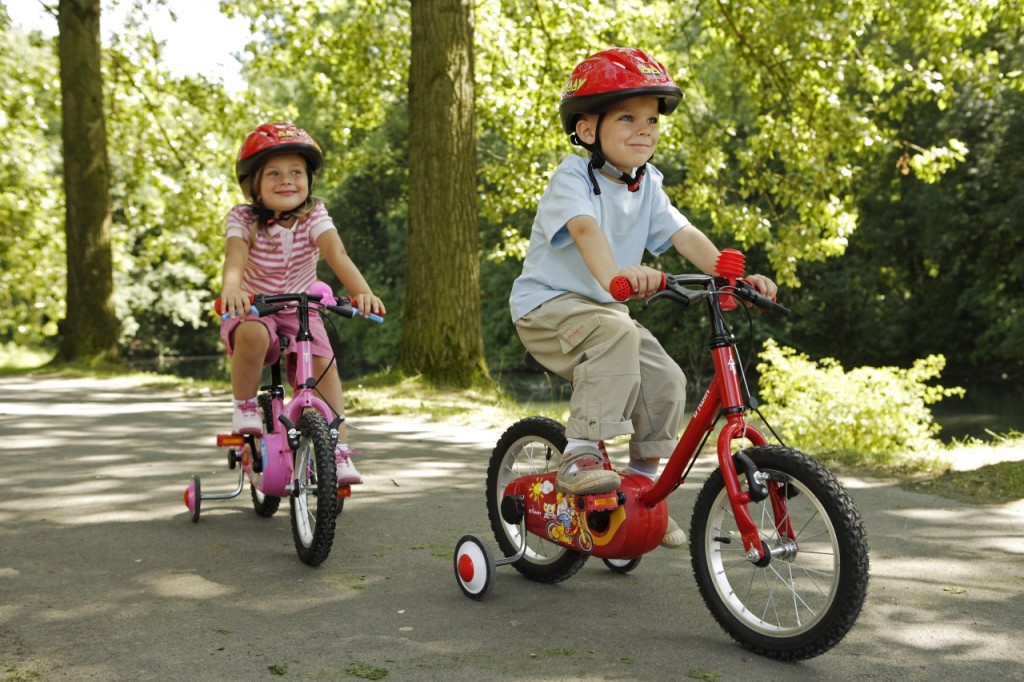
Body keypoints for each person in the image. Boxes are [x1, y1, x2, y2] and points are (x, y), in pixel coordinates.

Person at [509, 48, 778, 548]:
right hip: (547, 308)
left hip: (605, 314)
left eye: (652, 119)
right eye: (628, 117)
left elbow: (683, 234)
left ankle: (641, 487)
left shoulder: (648, 183)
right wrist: (619, 278)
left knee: (666, 378)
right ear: (588, 131)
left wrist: (730, 276)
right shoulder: (573, 177)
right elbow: (586, 231)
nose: (644, 129)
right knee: (616, 330)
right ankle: (581, 452)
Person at [219, 121, 385, 485]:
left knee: (325, 366)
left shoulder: (314, 215)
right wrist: (232, 290)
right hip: (255, 307)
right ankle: (245, 405)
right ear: (254, 185)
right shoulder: (243, 218)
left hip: (301, 308)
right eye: (274, 173)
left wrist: (363, 291)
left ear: (309, 179)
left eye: (296, 172)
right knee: (253, 334)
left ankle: (338, 450)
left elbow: (336, 253)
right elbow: (235, 259)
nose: (286, 180)